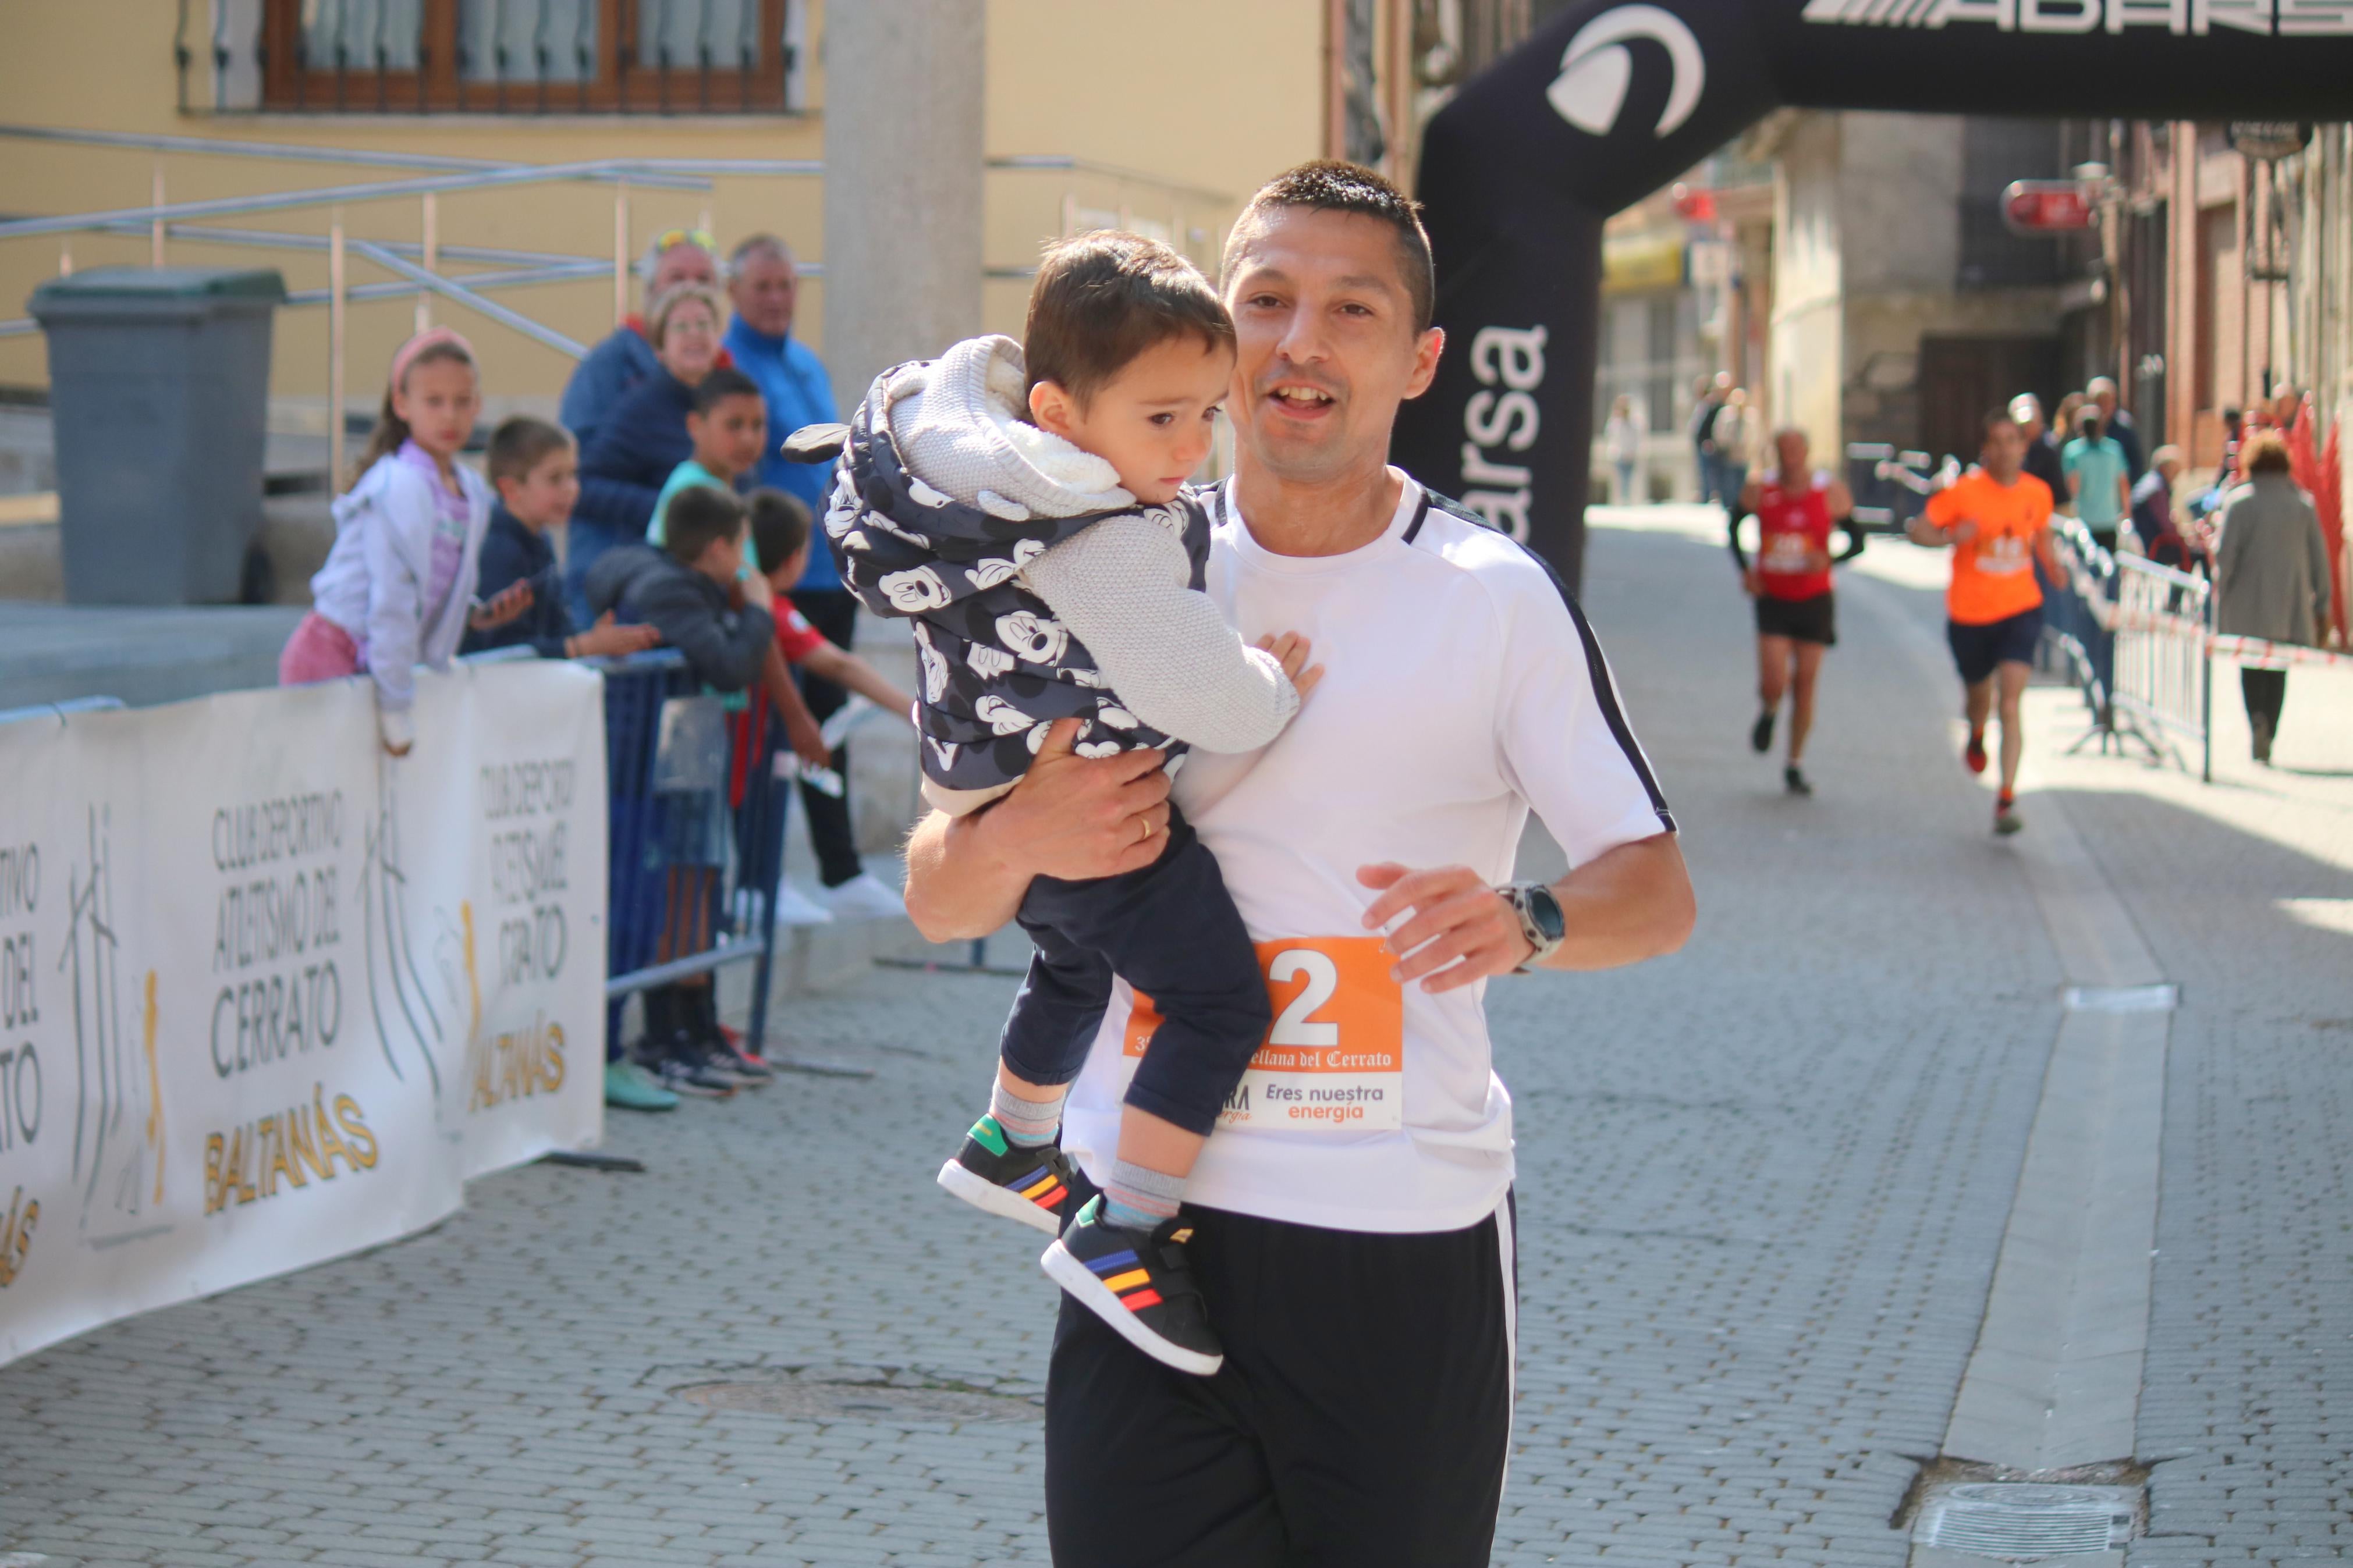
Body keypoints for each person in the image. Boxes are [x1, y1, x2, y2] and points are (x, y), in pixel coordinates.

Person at [900, 161, 1692, 1567]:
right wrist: (1025, 833)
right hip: (1142, 1248)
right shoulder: (1099, 573)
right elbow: (937, 889)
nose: (1299, 343)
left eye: (1350, 310)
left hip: (1394, 1246)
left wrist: (1530, 919)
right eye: (1263, 300)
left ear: (1419, 358)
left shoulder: (1490, 600)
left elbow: (1653, 887)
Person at [821, 234, 1319, 1375]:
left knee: (1070, 968)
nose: (1192, 449)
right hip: (1107, 830)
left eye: (1207, 414)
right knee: (1217, 1005)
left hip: (996, 798)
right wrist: (1276, 682)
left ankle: (1010, 1139)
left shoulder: (987, 486)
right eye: (1161, 420)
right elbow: (1205, 695)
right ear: (1054, 411)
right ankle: (1125, 1226)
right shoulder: (1096, 534)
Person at [726, 240, 899, 923]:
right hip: (770, 576)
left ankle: (839, 867)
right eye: (762, 286)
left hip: (824, 569)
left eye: (785, 285)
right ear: (734, 291)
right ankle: (757, 876)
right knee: (770, 729)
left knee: (829, 724)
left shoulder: (803, 362)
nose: (776, 298)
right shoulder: (731, 365)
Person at [587, 486, 779, 1098]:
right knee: (639, 912)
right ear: (719, 547)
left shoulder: (657, 574)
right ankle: (633, 1046)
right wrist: (757, 609)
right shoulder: (669, 588)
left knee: (666, 901)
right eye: (741, 546)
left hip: (661, 763)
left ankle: (665, 1039)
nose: (746, 560)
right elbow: (727, 663)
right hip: (637, 764)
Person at [279, 328, 528, 753]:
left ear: (478, 405)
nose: (449, 416)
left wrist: (470, 616)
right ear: (402, 405)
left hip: (382, 663)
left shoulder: (470, 491)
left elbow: (431, 584)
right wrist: (395, 708)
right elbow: (391, 602)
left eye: (462, 401)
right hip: (333, 657)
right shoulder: (398, 487)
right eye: (434, 402)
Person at [734, 490, 920, 930]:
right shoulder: (775, 611)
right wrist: (912, 711)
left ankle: (760, 888)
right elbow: (838, 663)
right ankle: (756, 892)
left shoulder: (745, 598)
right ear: (796, 557)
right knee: (753, 816)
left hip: (741, 742)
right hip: (743, 745)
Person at [1909, 410, 2062, 837]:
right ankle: (1976, 732)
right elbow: (1918, 529)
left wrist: (2053, 566)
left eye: (2011, 440)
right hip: (1970, 615)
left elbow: (2042, 537)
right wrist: (1948, 538)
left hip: (2020, 608)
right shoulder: (1963, 493)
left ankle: (2006, 796)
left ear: (2022, 447)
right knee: (1980, 698)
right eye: (1995, 441)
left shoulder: (2037, 493)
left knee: (2011, 702)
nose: (2004, 449)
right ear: (1984, 450)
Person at [567, 282, 726, 626]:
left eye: (704, 325)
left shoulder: (728, 401)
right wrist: (667, 508)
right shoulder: (641, 409)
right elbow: (584, 486)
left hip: (721, 575)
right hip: (661, 585)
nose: (694, 335)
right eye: (680, 327)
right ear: (659, 349)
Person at [460, 415, 663, 666]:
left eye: (573, 475)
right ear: (511, 489)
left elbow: (555, 627)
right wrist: (584, 646)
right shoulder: (499, 549)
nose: (572, 488)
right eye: (555, 479)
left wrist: (597, 641)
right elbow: (503, 652)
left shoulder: (539, 539)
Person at [1730, 427, 1863, 797]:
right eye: (1783, 448)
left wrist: (1830, 559)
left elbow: (1859, 541)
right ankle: (1769, 711)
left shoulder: (1829, 492)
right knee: (1774, 681)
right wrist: (1746, 571)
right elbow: (1732, 527)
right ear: (1775, 452)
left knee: (1805, 683)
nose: (1790, 455)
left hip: (1814, 600)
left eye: (1796, 448)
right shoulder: (1760, 489)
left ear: (1807, 452)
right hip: (1772, 598)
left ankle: (1795, 763)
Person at [2215, 431, 2333, 765]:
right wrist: (2322, 604)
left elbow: (2225, 558)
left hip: (2247, 606)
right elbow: (2320, 559)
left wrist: (2220, 596)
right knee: (2278, 669)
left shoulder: (2239, 503)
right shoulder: (2302, 505)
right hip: (2289, 606)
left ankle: (2256, 720)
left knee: (2251, 666)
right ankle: (2271, 729)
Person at [558, 229, 722, 450]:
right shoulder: (611, 363)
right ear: (650, 289)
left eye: (703, 279)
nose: (690, 287)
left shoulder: (728, 370)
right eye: (677, 278)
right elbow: (581, 456)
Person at [2063, 408, 2132, 552]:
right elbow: (2123, 484)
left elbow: (2073, 486)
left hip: (2085, 519)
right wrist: (2126, 513)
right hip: (2109, 518)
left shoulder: (2073, 452)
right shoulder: (2114, 451)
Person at [2127, 444, 2198, 571]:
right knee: (2196, 553)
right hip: (2157, 545)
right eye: (2175, 471)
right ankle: (2181, 590)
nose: (2176, 477)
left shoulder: (2149, 482)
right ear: (2165, 468)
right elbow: (2167, 525)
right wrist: (2185, 536)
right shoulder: (2157, 488)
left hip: (2148, 542)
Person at [2085, 376, 2144, 481]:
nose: (2102, 406)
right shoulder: (2082, 425)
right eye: (2098, 401)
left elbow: (2135, 466)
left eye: (2106, 401)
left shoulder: (2125, 429)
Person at [2013, 393, 2068, 500]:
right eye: (2022, 426)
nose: (2026, 429)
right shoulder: (2007, 450)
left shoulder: (2050, 450)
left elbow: (2060, 493)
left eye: (2030, 424)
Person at [1711, 387, 1756, 507]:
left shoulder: (1750, 417)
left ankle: (1739, 504)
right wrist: (1723, 446)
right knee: (1729, 481)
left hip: (1744, 455)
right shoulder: (1726, 415)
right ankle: (1730, 504)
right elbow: (1718, 432)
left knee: (1741, 481)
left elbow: (1755, 435)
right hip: (1730, 454)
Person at [1690, 371, 1727, 505]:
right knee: (1703, 471)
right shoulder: (1703, 405)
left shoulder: (1716, 406)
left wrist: (1710, 440)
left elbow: (1713, 426)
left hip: (1710, 444)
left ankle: (1712, 494)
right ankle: (1705, 494)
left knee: (1712, 472)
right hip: (1701, 443)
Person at [1604, 392, 1646, 504]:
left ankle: (1627, 499)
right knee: (1621, 479)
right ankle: (1622, 499)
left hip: (1630, 455)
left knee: (1628, 478)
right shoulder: (1615, 423)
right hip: (1619, 455)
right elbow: (1612, 437)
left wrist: (1633, 452)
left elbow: (1636, 439)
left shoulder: (1634, 422)